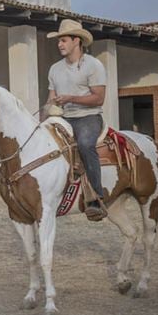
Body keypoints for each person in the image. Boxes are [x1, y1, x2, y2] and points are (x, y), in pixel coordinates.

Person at [45, 18, 108, 221]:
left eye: (63, 40)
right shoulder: (54, 68)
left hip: (88, 117)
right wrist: (41, 120)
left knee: (85, 144)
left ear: (77, 41)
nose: (59, 44)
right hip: (62, 117)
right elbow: (49, 100)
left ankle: (96, 198)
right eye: (59, 40)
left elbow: (99, 98)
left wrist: (71, 98)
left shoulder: (94, 65)